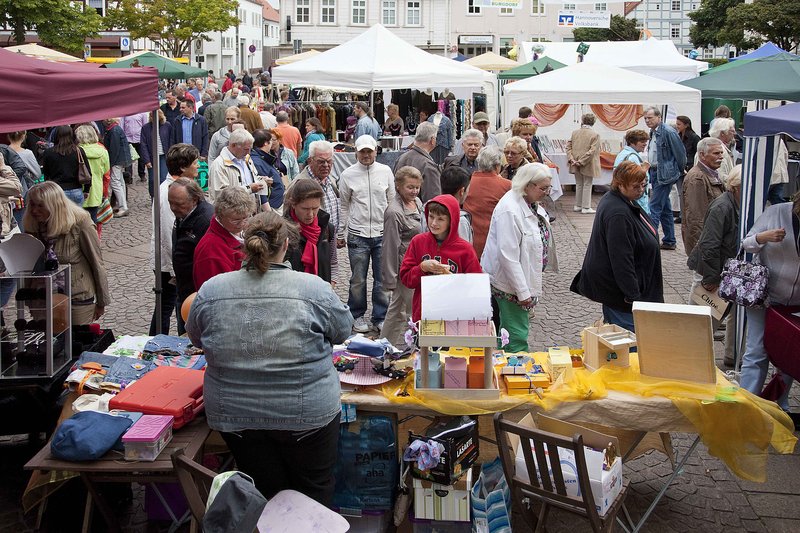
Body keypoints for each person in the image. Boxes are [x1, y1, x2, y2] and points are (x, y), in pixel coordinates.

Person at [186, 211, 353, 504]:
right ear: (287, 245)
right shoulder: (314, 288)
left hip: (236, 416)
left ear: (245, 245)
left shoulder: (212, 290)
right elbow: (342, 331)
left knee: (262, 490)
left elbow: (196, 338)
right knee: (313, 492)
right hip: (306, 415)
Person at [570, 161, 663, 331]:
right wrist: (632, 295)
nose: (641, 190)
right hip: (623, 297)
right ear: (620, 184)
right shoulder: (618, 212)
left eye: (643, 185)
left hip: (631, 290)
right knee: (628, 340)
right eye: (636, 186)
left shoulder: (623, 200)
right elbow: (621, 259)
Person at [482, 163, 556, 352]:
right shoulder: (510, 209)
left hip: (518, 281)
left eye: (549, 186)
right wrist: (523, 293)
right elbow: (508, 257)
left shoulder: (528, 202)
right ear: (527, 186)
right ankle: (516, 372)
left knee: (509, 333)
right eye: (543, 188)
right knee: (516, 337)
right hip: (510, 286)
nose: (547, 192)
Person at [739, 195, 800, 412]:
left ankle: (778, 404)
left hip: (795, 302)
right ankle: (747, 404)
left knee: (790, 352)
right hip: (764, 296)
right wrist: (763, 237)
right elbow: (746, 243)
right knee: (757, 350)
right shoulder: (776, 212)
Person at [24, 182, 109, 325]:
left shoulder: (80, 223)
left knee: (76, 343)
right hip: (42, 299)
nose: (34, 210)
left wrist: (102, 301)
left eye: (40, 205)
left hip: (76, 298)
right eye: (32, 205)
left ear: (54, 205)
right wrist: (27, 297)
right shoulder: (33, 228)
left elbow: (97, 263)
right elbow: (28, 266)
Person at [687, 165, 741, 367]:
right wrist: (711, 278)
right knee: (706, 319)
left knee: (727, 314)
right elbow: (709, 244)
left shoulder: (734, 204)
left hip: (726, 269)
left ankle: (730, 356)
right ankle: (690, 358)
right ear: (736, 187)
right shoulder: (723, 207)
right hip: (714, 270)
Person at [339, 135, 394, 332]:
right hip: (357, 233)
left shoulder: (386, 171)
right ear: (356, 152)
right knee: (358, 278)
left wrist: (394, 230)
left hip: (382, 233)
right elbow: (344, 205)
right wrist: (340, 232)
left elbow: (392, 201)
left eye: (369, 151)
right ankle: (357, 314)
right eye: (362, 151)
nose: (366, 155)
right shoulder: (347, 175)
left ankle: (380, 316)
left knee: (381, 279)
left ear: (376, 151)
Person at [400, 195, 483, 322]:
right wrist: (422, 268)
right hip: (424, 315)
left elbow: (475, 286)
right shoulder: (418, 242)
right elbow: (406, 279)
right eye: (431, 216)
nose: (433, 223)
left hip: (454, 316)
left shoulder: (465, 249)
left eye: (440, 219)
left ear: (451, 220)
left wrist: (453, 279)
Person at [149, 144, 199, 335]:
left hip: (172, 261)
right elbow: (170, 232)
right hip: (169, 263)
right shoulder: (170, 191)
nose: (198, 166)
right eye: (194, 163)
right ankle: (159, 343)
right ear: (183, 167)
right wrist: (174, 269)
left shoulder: (177, 188)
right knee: (169, 306)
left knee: (168, 305)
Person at [381, 166, 424, 348]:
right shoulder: (394, 212)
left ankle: (384, 345)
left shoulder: (417, 202)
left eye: (417, 187)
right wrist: (390, 279)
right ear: (398, 186)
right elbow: (390, 246)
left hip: (416, 263)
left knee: (396, 309)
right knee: (413, 311)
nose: (414, 191)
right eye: (410, 187)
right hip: (405, 269)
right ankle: (418, 349)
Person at [169, 177, 214, 335]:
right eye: (170, 203)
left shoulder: (205, 220)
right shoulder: (185, 213)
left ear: (195, 199)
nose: (173, 208)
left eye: (178, 204)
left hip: (195, 294)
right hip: (183, 288)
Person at [193, 186, 256, 290]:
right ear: (220, 215)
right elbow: (214, 295)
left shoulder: (237, 231)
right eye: (235, 220)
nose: (241, 224)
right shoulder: (211, 251)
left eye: (245, 218)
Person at [644, 106, 687, 251]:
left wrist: (679, 171)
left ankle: (649, 240)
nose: (647, 120)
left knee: (654, 206)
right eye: (645, 118)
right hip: (655, 172)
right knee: (665, 209)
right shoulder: (653, 132)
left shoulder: (668, 132)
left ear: (659, 117)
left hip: (665, 174)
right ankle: (669, 240)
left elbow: (680, 153)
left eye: (650, 118)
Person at [283, 178, 337, 282]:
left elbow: (333, 263)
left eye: (315, 208)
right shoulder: (282, 231)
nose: (311, 214)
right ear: (293, 204)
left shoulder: (327, 229)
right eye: (305, 209)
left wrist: (330, 287)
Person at [463, 146, 512, 259]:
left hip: (470, 239)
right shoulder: (507, 185)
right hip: (495, 241)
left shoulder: (467, 182)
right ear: (496, 166)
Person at [682, 137, 726, 256]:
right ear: (702, 155)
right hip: (706, 246)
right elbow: (696, 218)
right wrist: (703, 249)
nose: (721, 156)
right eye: (716, 153)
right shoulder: (697, 178)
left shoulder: (711, 173)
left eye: (721, 153)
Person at [290, 140, 340, 238]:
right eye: (321, 161)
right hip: (309, 239)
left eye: (329, 161)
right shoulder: (299, 184)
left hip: (329, 236)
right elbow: (288, 216)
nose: (326, 165)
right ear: (310, 161)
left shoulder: (329, 179)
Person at [207, 129, 269, 204]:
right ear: (233, 145)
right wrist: (249, 189)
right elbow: (221, 195)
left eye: (250, 149)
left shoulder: (247, 159)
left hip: (249, 211)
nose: (248, 152)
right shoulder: (219, 165)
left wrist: (261, 180)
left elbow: (251, 179)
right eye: (246, 149)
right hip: (232, 213)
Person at [42, 125, 91, 208]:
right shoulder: (78, 151)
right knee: (77, 219)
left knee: (59, 218)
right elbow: (87, 171)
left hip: (57, 190)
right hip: (76, 189)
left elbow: (46, 173)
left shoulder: (48, 152)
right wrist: (86, 190)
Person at [396, 121, 440, 203]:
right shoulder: (428, 165)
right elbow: (433, 200)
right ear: (432, 140)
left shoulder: (401, 158)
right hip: (418, 213)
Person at [74, 125, 109, 224]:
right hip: (96, 190)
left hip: (80, 189)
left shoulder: (76, 151)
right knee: (93, 220)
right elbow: (106, 169)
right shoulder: (103, 151)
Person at [567, 113, 601, 214]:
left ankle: (578, 205)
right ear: (593, 122)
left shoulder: (575, 132)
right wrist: (581, 162)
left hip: (575, 161)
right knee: (587, 184)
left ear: (582, 120)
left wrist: (572, 159)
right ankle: (586, 207)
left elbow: (568, 147)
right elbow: (592, 151)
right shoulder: (595, 135)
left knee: (579, 184)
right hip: (588, 163)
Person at [614, 129, 651, 214]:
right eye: (642, 141)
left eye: (645, 141)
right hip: (636, 201)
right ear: (632, 142)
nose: (645, 144)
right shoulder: (631, 157)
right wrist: (644, 170)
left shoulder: (623, 153)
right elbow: (634, 179)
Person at [140, 109, 173, 198]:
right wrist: (146, 160)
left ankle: (163, 197)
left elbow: (171, 141)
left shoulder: (167, 126)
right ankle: (154, 197)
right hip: (152, 157)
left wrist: (170, 155)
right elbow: (143, 145)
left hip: (163, 156)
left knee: (163, 178)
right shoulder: (146, 128)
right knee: (152, 180)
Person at [102, 118, 132, 217]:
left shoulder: (113, 130)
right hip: (120, 159)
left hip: (116, 160)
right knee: (120, 182)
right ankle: (123, 205)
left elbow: (114, 149)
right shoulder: (115, 129)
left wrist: (110, 163)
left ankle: (123, 207)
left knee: (115, 182)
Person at [250, 129, 285, 211]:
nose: (272, 143)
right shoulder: (257, 162)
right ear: (266, 143)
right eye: (271, 140)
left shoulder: (263, 158)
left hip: (275, 203)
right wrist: (268, 211)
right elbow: (260, 190)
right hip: (272, 207)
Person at [440, 166, 472, 244]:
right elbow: (464, 252)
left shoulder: (427, 212)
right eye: (468, 189)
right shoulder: (460, 221)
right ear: (462, 191)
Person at [120, 112, 149, 183]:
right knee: (128, 159)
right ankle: (129, 177)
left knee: (141, 158)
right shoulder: (125, 113)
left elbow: (145, 126)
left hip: (139, 139)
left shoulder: (142, 113)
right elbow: (121, 126)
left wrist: (144, 138)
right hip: (128, 139)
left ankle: (142, 174)